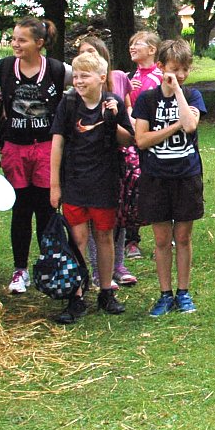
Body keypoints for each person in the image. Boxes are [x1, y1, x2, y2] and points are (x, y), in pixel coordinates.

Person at [0, 17, 73, 295]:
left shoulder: (56, 69)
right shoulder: (4, 67)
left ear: (39, 43)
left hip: (46, 147)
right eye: (14, 39)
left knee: (47, 209)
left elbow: (86, 80)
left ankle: (48, 265)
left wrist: (69, 102)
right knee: (21, 208)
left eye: (22, 40)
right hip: (15, 147)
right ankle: (20, 270)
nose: (15, 44)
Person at [48, 51, 135, 324]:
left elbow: (128, 140)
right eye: (76, 76)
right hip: (74, 182)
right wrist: (54, 185)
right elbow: (57, 144)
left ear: (101, 78)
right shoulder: (68, 103)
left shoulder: (113, 102)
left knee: (105, 236)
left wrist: (112, 120)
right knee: (78, 239)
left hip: (105, 182)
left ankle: (106, 291)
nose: (79, 81)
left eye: (85, 76)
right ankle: (76, 295)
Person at [131, 39, 207, 316]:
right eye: (175, 69)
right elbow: (142, 140)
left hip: (186, 175)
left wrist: (177, 93)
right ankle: (165, 293)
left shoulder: (193, 96)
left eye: (185, 69)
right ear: (161, 67)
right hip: (156, 177)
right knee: (162, 240)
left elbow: (191, 124)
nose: (181, 75)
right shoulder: (146, 100)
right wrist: (174, 126)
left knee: (183, 238)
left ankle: (183, 292)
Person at [75, 35, 139, 288]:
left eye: (92, 52)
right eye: (82, 53)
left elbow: (128, 112)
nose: (87, 57)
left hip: (117, 158)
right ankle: (97, 271)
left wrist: (116, 119)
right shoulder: (74, 97)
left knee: (117, 215)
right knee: (93, 222)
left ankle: (118, 265)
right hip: (88, 164)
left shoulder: (120, 79)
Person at [123, 31, 161, 260]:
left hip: (157, 142)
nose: (132, 47)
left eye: (137, 44)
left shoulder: (161, 76)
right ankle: (131, 240)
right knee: (131, 187)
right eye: (131, 43)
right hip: (133, 141)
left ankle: (163, 240)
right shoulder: (128, 77)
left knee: (159, 188)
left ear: (152, 50)